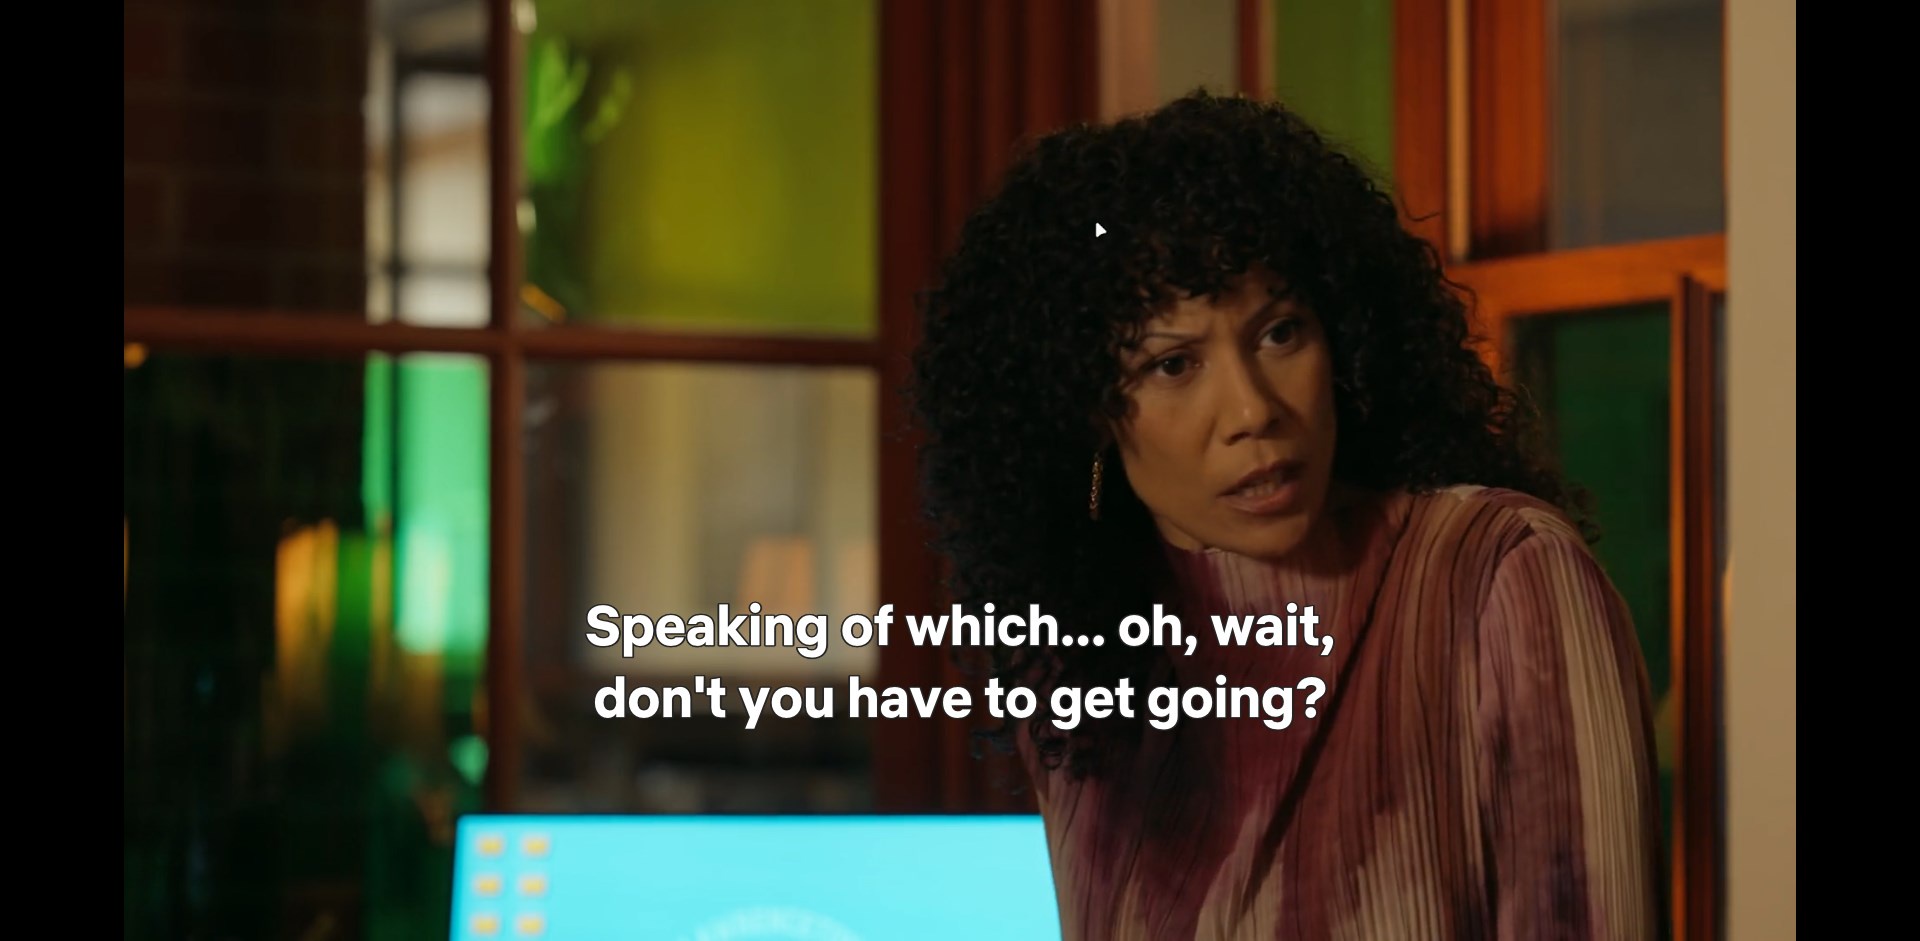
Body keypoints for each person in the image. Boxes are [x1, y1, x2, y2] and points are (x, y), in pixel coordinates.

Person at [908, 91, 1663, 940]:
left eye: (1279, 333)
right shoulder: (1078, 646)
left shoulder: (1502, 574)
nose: (1252, 409)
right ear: (1083, 411)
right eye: (1174, 364)